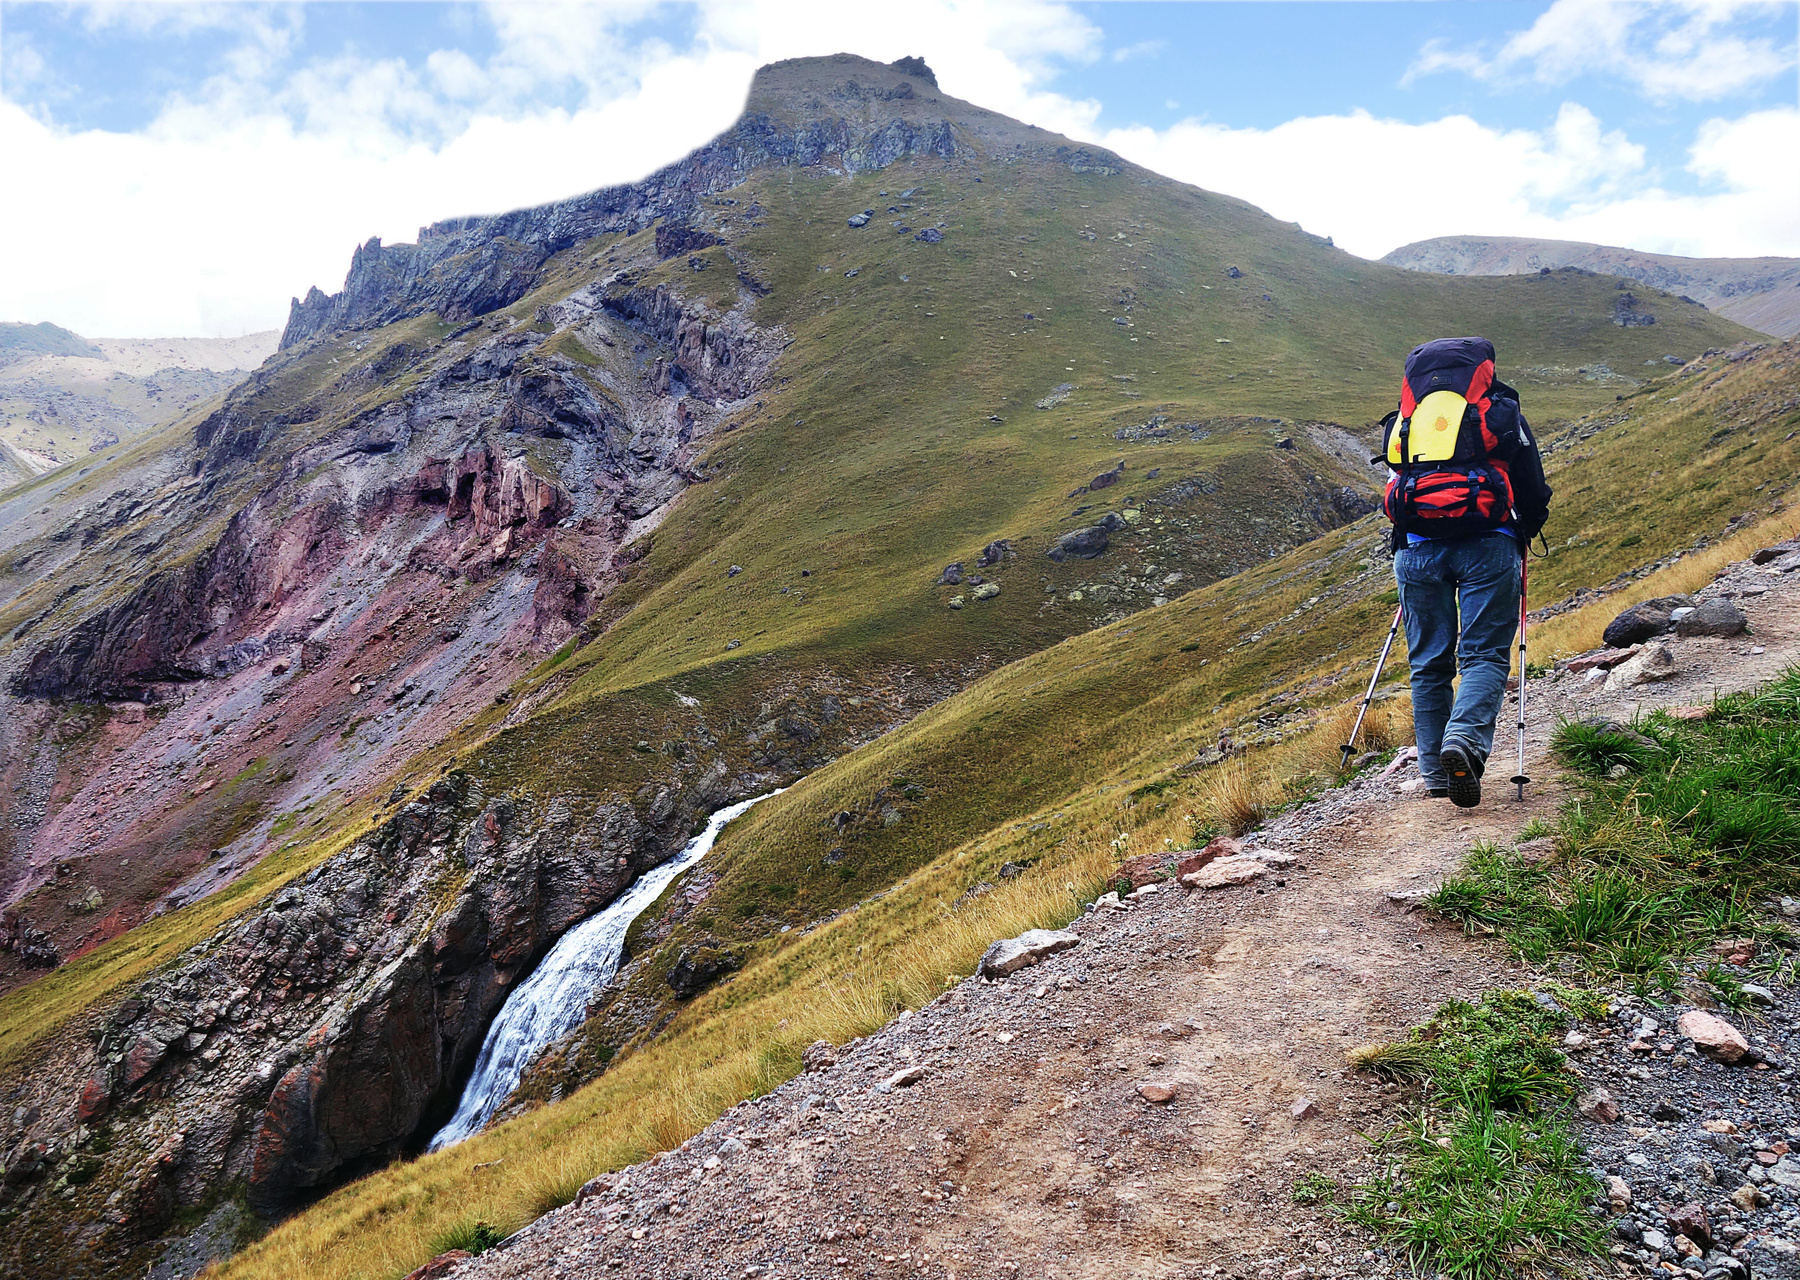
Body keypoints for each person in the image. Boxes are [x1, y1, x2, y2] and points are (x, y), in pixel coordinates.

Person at [1379, 337, 1551, 808]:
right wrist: (1524, 529)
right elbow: (1533, 487)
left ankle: (1436, 774)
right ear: (1483, 371)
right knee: (1484, 655)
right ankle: (1464, 742)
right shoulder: (1501, 413)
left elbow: (1397, 485)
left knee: (1427, 664)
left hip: (1416, 550)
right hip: (1489, 543)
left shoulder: (1404, 422)